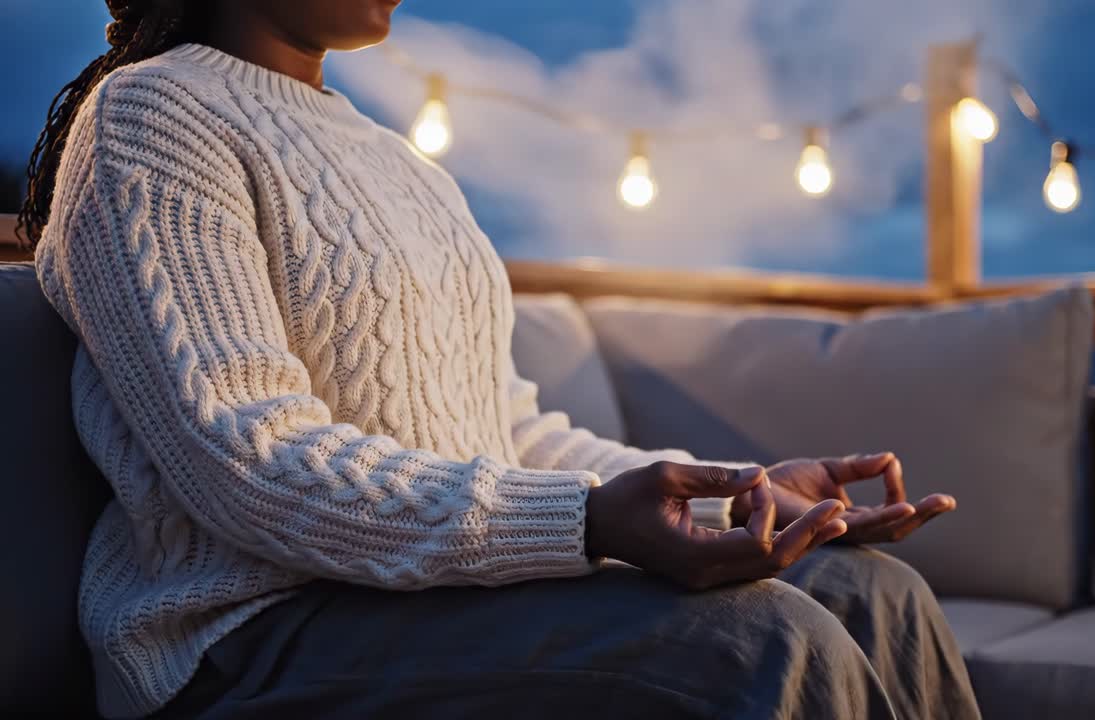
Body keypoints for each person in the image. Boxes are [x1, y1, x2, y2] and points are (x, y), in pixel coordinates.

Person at [18, 1, 981, 718]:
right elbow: (249, 457)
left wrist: (738, 492)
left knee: (873, 593)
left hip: (431, 598)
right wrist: (591, 520)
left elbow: (510, 432)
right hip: (257, 635)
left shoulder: (402, 163)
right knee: (760, 641)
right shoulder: (150, 119)